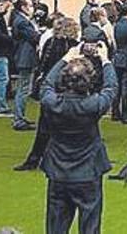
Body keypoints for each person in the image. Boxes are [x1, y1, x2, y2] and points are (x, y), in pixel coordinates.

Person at [40, 42, 117, 234]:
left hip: (59, 170)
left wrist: (66, 58)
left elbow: (47, 84)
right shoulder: (93, 105)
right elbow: (111, 87)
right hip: (88, 171)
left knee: (55, 227)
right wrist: (105, 60)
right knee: (90, 227)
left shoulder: (52, 103)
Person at [17, 16, 80, 172]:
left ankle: (34, 159)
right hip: (66, 90)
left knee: (44, 129)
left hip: (50, 89)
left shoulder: (51, 43)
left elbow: (43, 64)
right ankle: (61, 160)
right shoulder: (74, 47)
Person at [10, 0, 41, 131]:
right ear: (23, 7)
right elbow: (34, 37)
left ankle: (20, 117)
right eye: (30, 6)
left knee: (24, 89)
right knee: (23, 89)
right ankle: (18, 119)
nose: (32, 8)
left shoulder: (22, 20)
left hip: (25, 57)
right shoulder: (22, 22)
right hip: (25, 57)